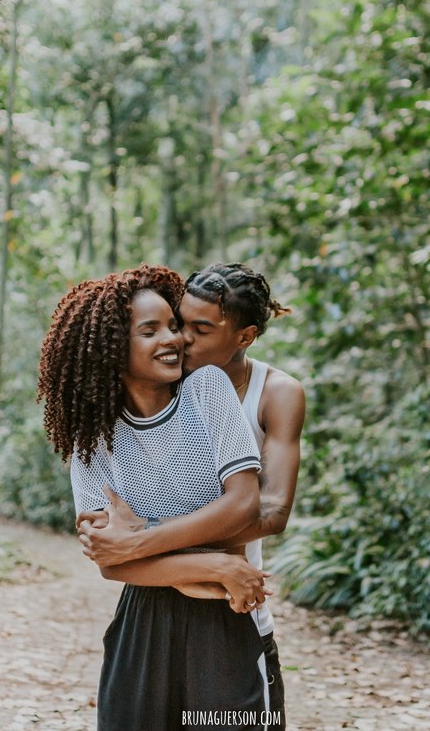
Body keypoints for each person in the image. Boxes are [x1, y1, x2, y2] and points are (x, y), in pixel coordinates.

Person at [38, 264, 270, 731]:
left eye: (173, 325)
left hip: (221, 620)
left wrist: (140, 540)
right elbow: (111, 562)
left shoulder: (208, 389)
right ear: (111, 348)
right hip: (143, 625)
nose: (174, 339)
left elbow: (242, 503)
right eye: (151, 331)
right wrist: (214, 566)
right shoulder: (94, 438)